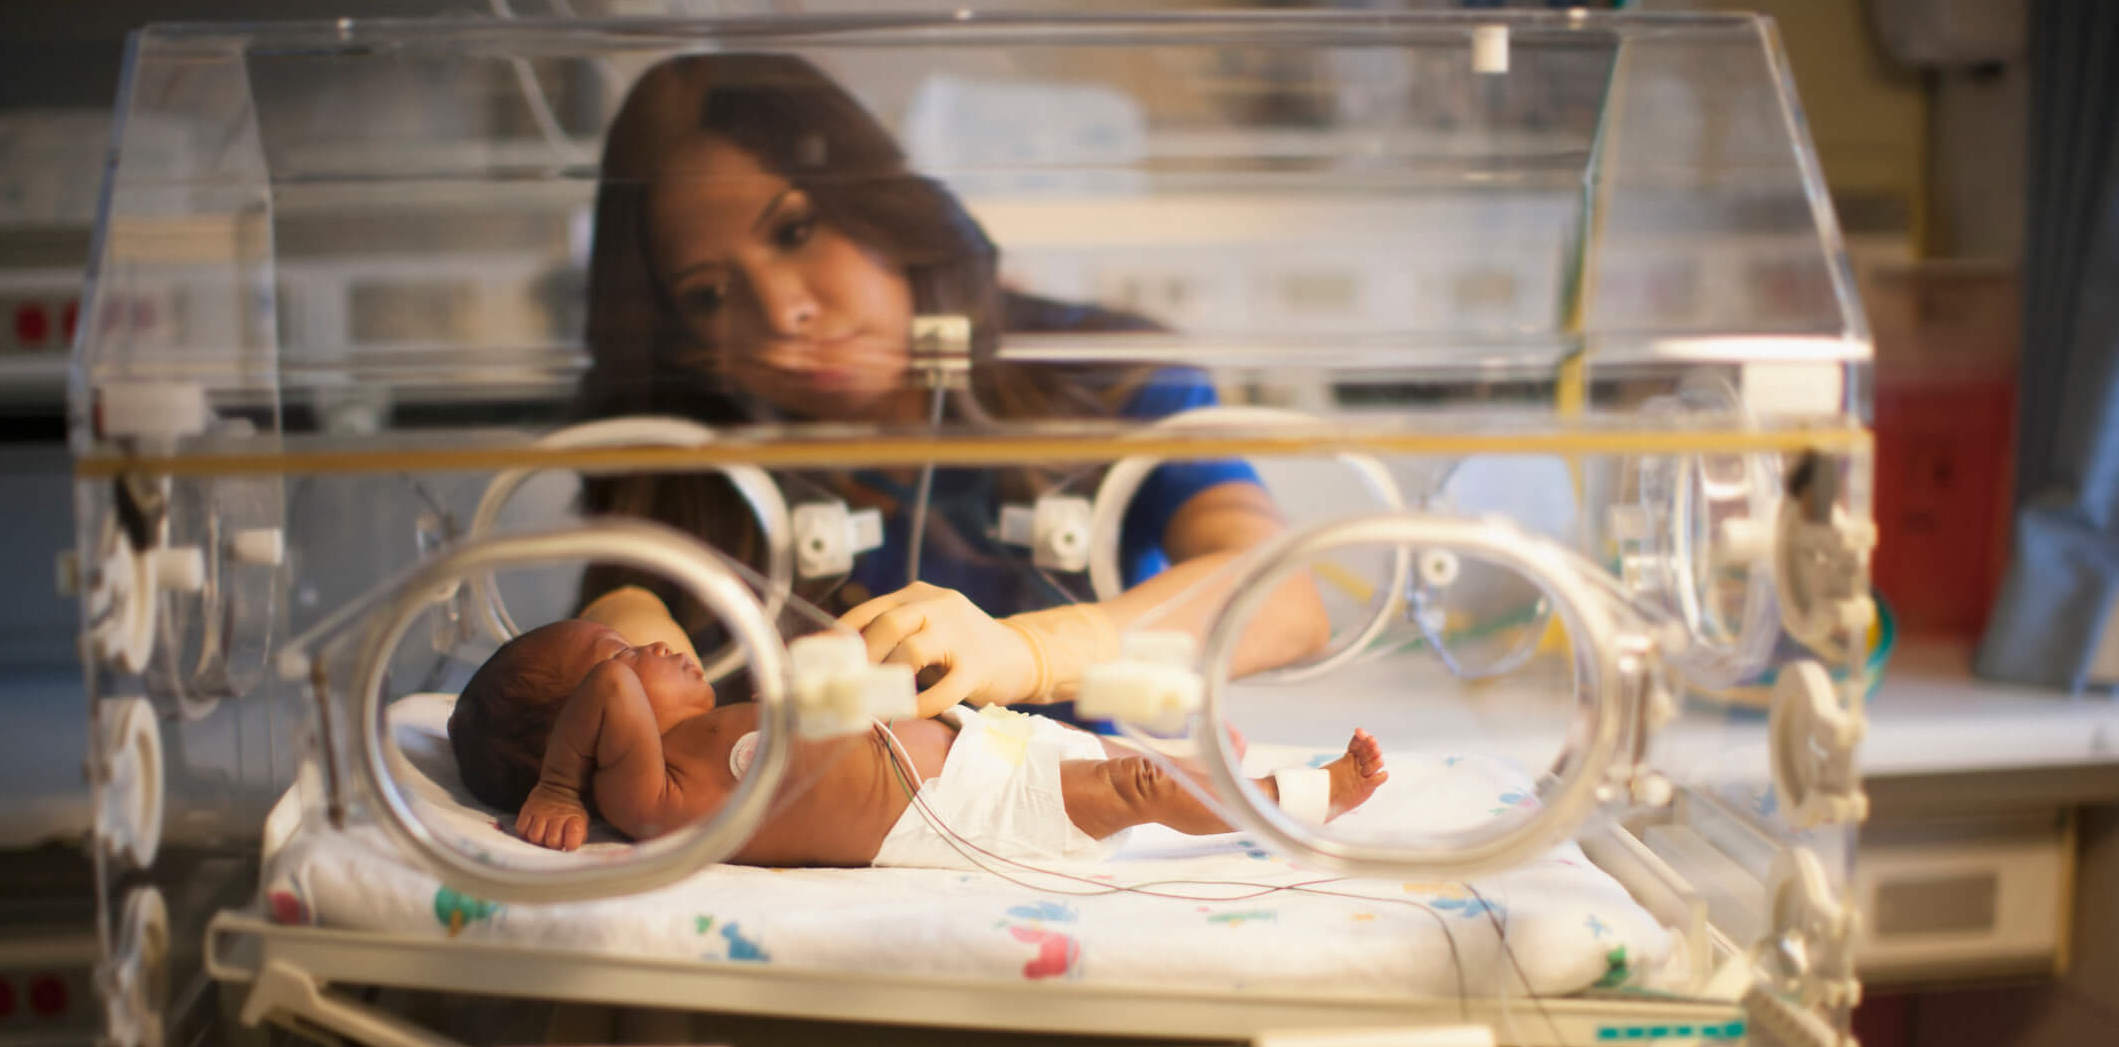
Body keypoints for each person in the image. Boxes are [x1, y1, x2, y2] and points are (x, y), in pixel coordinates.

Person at [567, 53, 1331, 718]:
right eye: (709, 295)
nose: (782, 311)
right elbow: (610, 649)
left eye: (795, 230)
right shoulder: (703, 454)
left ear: (881, 205)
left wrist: (1029, 652)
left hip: (1097, 817)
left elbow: (1283, 597)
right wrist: (619, 628)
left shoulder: (1104, 375)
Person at [448, 616, 1388, 864]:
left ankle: (1238, 776)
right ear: (579, 733)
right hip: (960, 811)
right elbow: (615, 690)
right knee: (1136, 786)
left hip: (981, 746)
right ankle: (1296, 804)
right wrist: (564, 786)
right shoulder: (648, 798)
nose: (646, 649)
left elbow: (617, 684)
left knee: (1131, 770)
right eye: (612, 659)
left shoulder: (698, 737)